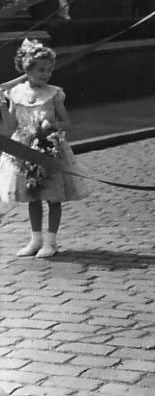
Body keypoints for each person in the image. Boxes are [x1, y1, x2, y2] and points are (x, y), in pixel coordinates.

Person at [0, 39, 88, 257]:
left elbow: (67, 122)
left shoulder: (54, 94)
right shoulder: (15, 93)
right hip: (25, 150)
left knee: (53, 195)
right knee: (33, 196)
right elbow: (11, 127)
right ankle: (35, 240)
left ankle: (51, 241)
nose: (46, 74)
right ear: (27, 68)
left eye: (49, 70)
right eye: (41, 70)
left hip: (49, 148)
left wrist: (51, 128)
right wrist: (2, 107)